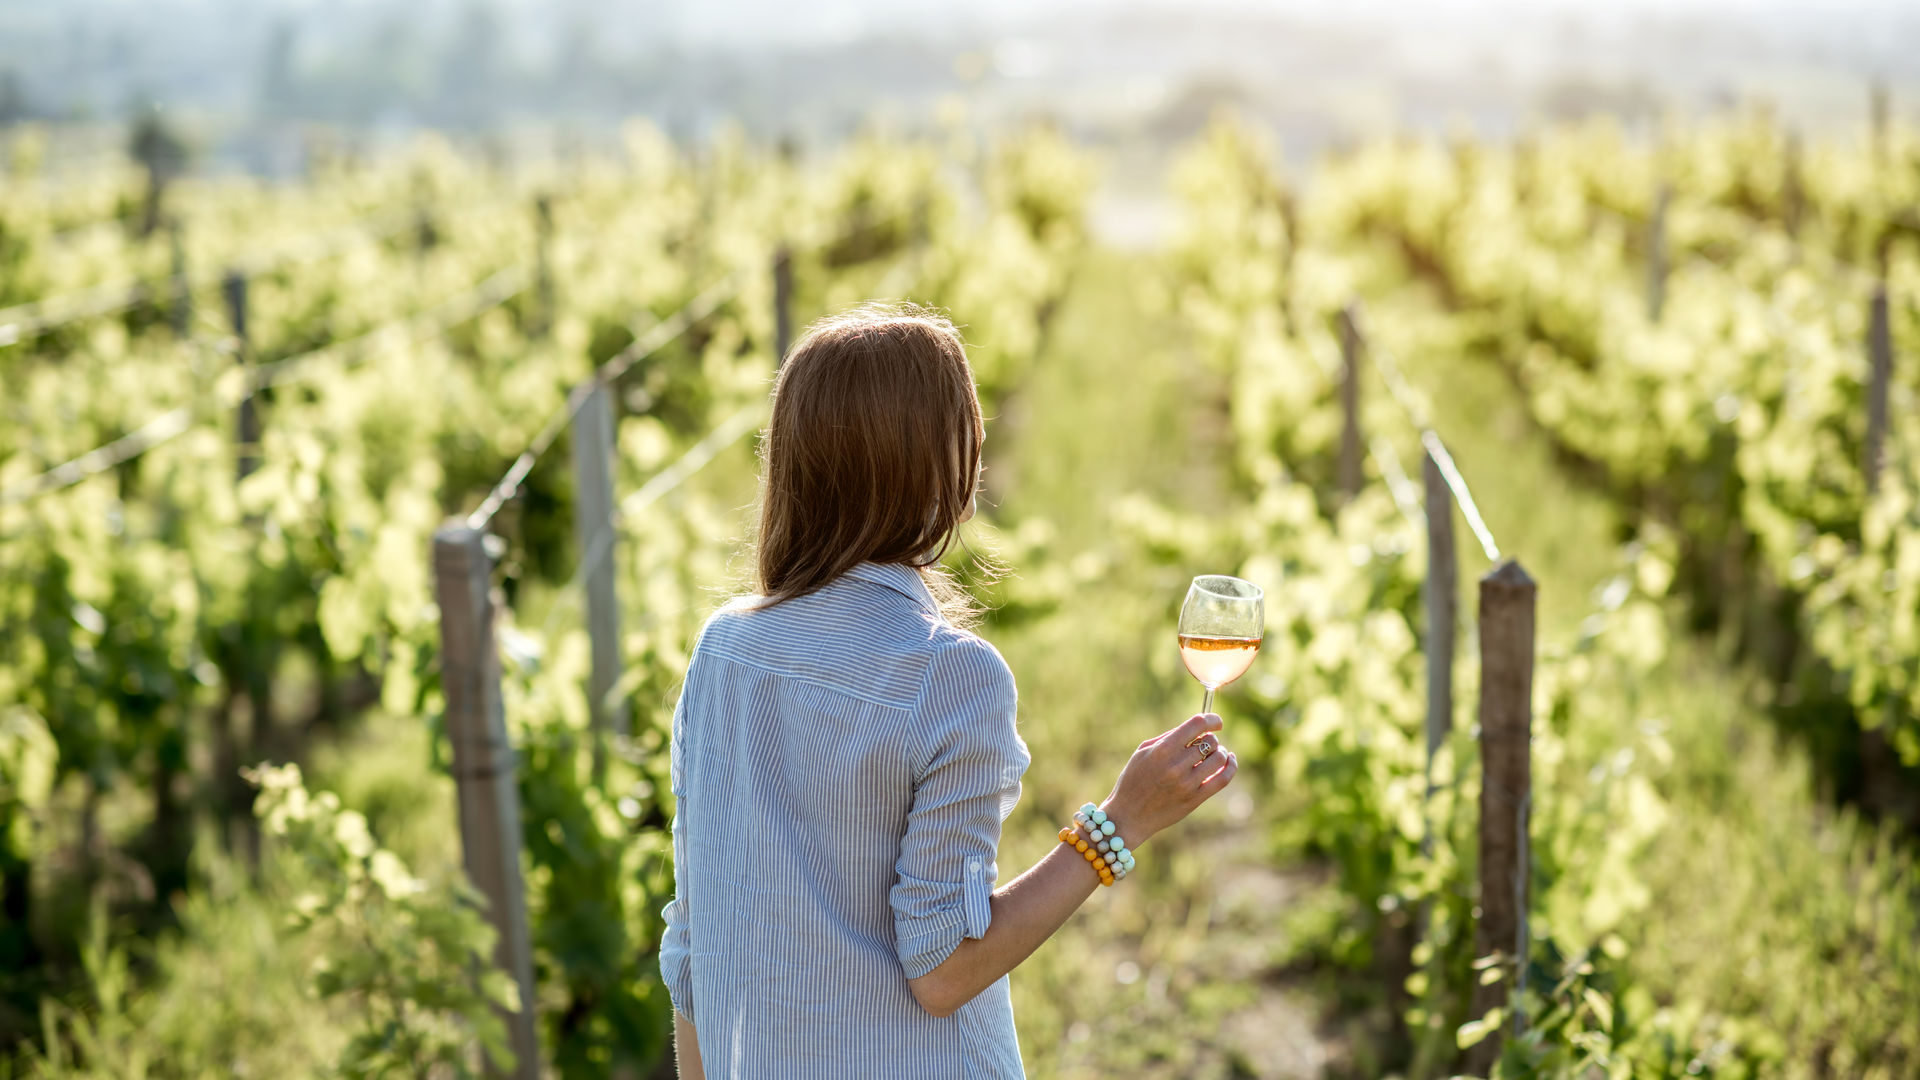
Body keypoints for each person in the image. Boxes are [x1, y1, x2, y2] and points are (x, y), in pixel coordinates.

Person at [659, 303, 1238, 1079]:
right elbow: (944, 970)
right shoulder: (952, 676)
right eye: (970, 431)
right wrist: (1119, 825)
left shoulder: (721, 651)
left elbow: (692, 946)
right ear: (937, 465)